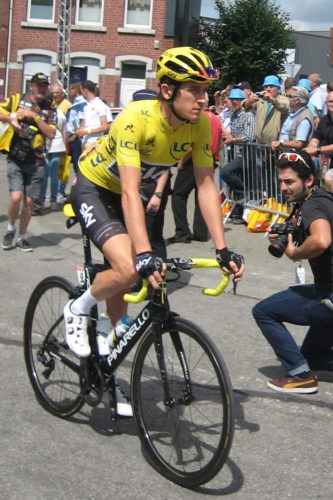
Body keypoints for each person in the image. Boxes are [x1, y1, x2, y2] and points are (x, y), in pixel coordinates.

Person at [63, 47, 245, 413]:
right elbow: (130, 190)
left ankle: (109, 376)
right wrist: (145, 254)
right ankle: (78, 308)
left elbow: (207, 187)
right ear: (166, 91)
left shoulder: (200, 124)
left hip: (125, 197)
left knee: (124, 280)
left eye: (205, 90)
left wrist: (222, 250)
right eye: (193, 89)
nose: (202, 98)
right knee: (132, 267)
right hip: (96, 189)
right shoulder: (135, 117)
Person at [253, 151, 333, 394]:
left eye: (289, 182)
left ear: (308, 180)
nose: (283, 187)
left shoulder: (312, 205)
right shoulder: (324, 199)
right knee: (312, 357)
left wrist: (295, 253)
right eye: (281, 181)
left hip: (329, 294)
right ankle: (307, 365)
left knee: (263, 311)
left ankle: (300, 377)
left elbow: (321, 240)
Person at [0, 72, 56, 251]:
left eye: (44, 85)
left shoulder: (50, 107)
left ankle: (22, 237)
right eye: (39, 85)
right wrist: (11, 118)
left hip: (37, 161)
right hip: (16, 157)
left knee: (30, 202)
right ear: (31, 86)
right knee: (16, 197)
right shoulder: (17, 99)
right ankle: (10, 228)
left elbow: (51, 133)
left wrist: (35, 116)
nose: (42, 88)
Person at [168, 104, 225, 243]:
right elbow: (224, 138)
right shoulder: (216, 119)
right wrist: (215, 155)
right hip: (209, 157)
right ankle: (201, 232)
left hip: (194, 160)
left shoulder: (199, 119)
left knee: (178, 195)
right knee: (202, 194)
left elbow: (193, 144)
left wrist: (182, 160)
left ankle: (182, 232)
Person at [220, 87, 255, 223]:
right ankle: (239, 210)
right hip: (235, 152)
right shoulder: (233, 115)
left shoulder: (248, 115)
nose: (234, 102)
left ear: (243, 101)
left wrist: (233, 139)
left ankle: (243, 193)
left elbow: (249, 137)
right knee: (237, 178)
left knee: (225, 172)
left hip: (246, 154)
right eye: (232, 99)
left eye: (238, 100)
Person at [39, 84, 67, 210]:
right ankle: (53, 200)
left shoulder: (41, 111)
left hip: (45, 144)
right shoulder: (60, 112)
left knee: (45, 174)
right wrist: (65, 147)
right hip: (58, 145)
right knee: (54, 174)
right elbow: (64, 131)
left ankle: (42, 199)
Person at [242, 75, 289, 145]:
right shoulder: (261, 100)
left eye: (271, 86)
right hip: (260, 144)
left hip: (275, 145)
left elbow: (285, 107)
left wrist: (272, 100)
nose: (268, 89)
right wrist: (250, 100)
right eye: (266, 86)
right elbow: (244, 107)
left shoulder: (284, 100)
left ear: (278, 88)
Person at [271, 86, 314, 153]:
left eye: (289, 96)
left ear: (297, 100)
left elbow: (299, 144)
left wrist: (281, 143)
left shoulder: (304, 119)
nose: (286, 98)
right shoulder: (291, 113)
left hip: (295, 158)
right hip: (286, 155)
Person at [75, 80, 112, 150]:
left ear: (85, 90)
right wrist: (79, 131)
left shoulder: (100, 105)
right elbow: (85, 124)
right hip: (85, 142)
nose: (81, 94)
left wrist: (86, 132)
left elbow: (104, 126)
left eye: (81, 91)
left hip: (95, 143)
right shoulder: (86, 105)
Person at [305, 90, 333, 168]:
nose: (332, 104)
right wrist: (311, 147)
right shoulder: (323, 120)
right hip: (327, 163)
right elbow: (316, 137)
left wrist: (318, 150)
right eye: (330, 101)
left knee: (327, 179)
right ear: (326, 103)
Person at [65, 82, 87, 173]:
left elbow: (82, 121)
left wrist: (74, 136)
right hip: (69, 135)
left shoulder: (81, 103)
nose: (69, 91)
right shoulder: (74, 102)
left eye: (71, 88)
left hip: (76, 137)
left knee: (77, 163)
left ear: (76, 90)